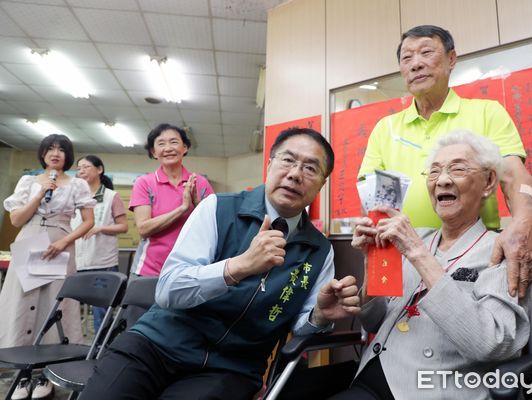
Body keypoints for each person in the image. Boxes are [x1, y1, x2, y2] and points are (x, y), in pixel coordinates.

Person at [80, 128, 361, 400]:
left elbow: (301, 326)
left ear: (322, 184)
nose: (295, 174)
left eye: (311, 168)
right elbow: (168, 290)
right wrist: (239, 266)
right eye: (288, 160)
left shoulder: (319, 250)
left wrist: (320, 316)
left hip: (231, 368)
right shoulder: (218, 208)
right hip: (158, 344)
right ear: (270, 163)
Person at [337, 131, 532, 399]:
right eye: (434, 172)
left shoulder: (500, 249)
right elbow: (373, 321)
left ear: (488, 182)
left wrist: (416, 252)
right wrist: (372, 260)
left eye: (458, 169)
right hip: (370, 375)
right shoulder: (419, 239)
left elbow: (489, 343)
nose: (442, 180)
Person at [358, 25, 532, 298]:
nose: (416, 64)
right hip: (403, 260)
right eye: (406, 58)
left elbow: (515, 176)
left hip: (472, 254)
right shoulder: (387, 129)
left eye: (426, 53)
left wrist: (525, 224)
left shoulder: (486, 112)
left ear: (451, 59)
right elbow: (378, 205)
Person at [0, 134, 95, 400]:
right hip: (29, 241)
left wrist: (64, 242)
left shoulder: (78, 184)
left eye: (61, 149)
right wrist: (40, 193)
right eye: (50, 148)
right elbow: (17, 219)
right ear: (42, 153)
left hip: (59, 245)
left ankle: (47, 373)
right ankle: (22, 375)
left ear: (68, 155)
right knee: (21, 304)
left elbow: (88, 221)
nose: (55, 153)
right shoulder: (28, 181)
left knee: (55, 307)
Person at [129, 123, 214, 276]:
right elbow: (143, 229)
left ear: (185, 148)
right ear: (154, 152)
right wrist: (182, 208)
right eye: (161, 144)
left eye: (174, 142)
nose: (168, 148)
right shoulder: (144, 183)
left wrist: (197, 205)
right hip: (150, 271)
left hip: (190, 269)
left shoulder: (200, 183)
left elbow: (213, 227)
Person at [73, 155, 128, 333]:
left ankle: (100, 350)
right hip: (75, 260)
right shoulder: (73, 196)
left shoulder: (112, 196)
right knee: (69, 308)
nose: (81, 171)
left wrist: (99, 228)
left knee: (101, 313)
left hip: (102, 263)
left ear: (99, 169)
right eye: (79, 168)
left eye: (86, 167)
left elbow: (124, 226)